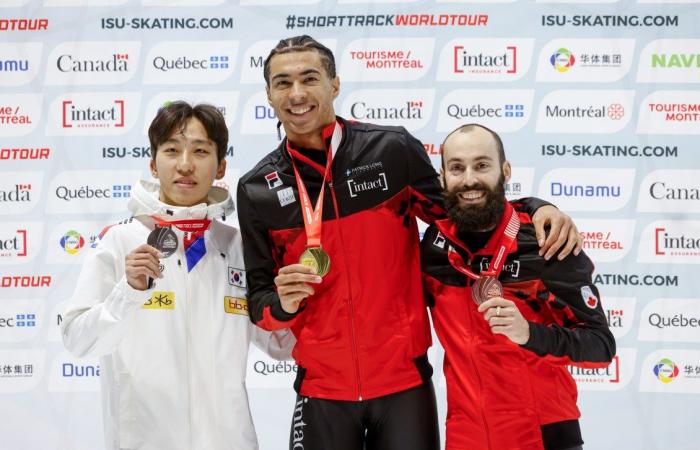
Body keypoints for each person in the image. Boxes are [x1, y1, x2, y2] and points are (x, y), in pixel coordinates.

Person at [236, 35, 581, 450]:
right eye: (282, 83)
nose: (297, 94)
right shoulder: (257, 188)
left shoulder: (390, 149)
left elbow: (467, 215)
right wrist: (283, 304)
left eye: (309, 78)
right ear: (269, 95)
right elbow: (259, 303)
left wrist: (532, 208)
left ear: (335, 85)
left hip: (403, 384)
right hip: (322, 389)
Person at [61, 101, 294, 450]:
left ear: (221, 167)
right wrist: (128, 292)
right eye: (172, 150)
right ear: (154, 164)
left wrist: (289, 306)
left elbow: (280, 346)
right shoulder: (121, 241)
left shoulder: (238, 246)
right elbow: (78, 340)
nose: (185, 164)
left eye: (200, 151)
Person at [421, 124, 616, 450]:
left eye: (482, 165)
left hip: (544, 436)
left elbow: (601, 347)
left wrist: (529, 334)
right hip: (465, 438)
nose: (469, 179)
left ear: (505, 170)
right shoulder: (435, 246)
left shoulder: (547, 241)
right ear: (443, 177)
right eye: (457, 168)